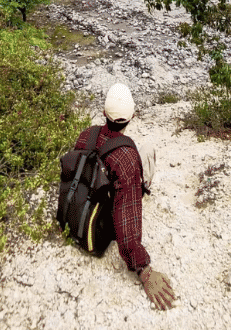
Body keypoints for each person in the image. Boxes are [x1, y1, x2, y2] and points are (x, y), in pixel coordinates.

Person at [73, 82, 175, 310]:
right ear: (132, 117)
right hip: (103, 215)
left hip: (85, 201)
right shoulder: (126, 157)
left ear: (103, 114)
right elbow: (126, 218)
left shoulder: (87, 134)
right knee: (146, 152)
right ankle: (141, 188)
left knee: (135, 158)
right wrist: (144, 270)